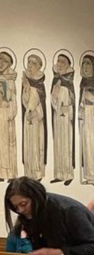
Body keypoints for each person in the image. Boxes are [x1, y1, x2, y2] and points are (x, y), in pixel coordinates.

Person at [4, 176, 94, 255]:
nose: (20, 210)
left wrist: (60, 254)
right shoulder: (34, 214)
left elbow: (91, 246)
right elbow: (43, 251)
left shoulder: (69, 211)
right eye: (16, 207)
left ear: (36, 197)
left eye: (23, 204)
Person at [0, 50, 19, 182]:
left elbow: (13, 99)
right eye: (0, 59)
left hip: (7, 114)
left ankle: (10, 174)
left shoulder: (10, 80)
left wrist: (10, 112)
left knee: (8, 144)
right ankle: (0, 173)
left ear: (9, 64)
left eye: (5, 61)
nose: (1, 63)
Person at [50, 52, 76, 185]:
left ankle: (68, 174)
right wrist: (54, 96)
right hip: (57, 117)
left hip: (66, 119)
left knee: (66, 145)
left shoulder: (69, 82)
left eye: (63, 62)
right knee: (58, 145)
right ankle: (59, 174)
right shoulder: (56, 80)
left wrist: (68, 108)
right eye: (58, 61)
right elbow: (52, 101)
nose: (60, 64)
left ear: (68, 66)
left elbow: (73, 102)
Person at [21, 52, 47, 180]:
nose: (30, 65)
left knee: (36, 146)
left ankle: (37, 174)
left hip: (37, 120)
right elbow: (25, 102)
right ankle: (29, 173)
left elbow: (40, 102)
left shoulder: (39, 84)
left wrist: (36, 112)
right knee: (28, 146)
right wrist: (26, 89)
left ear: (39, 67)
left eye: (34, 63)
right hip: (28, 119)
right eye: (29, 62)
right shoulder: (26, 82)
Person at [80, 54, 94, 185]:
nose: (85, 66)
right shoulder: (83, 82)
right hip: (86, 116)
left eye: (88, 63)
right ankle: (90, 175)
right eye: (83, 63)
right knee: (88, 145)